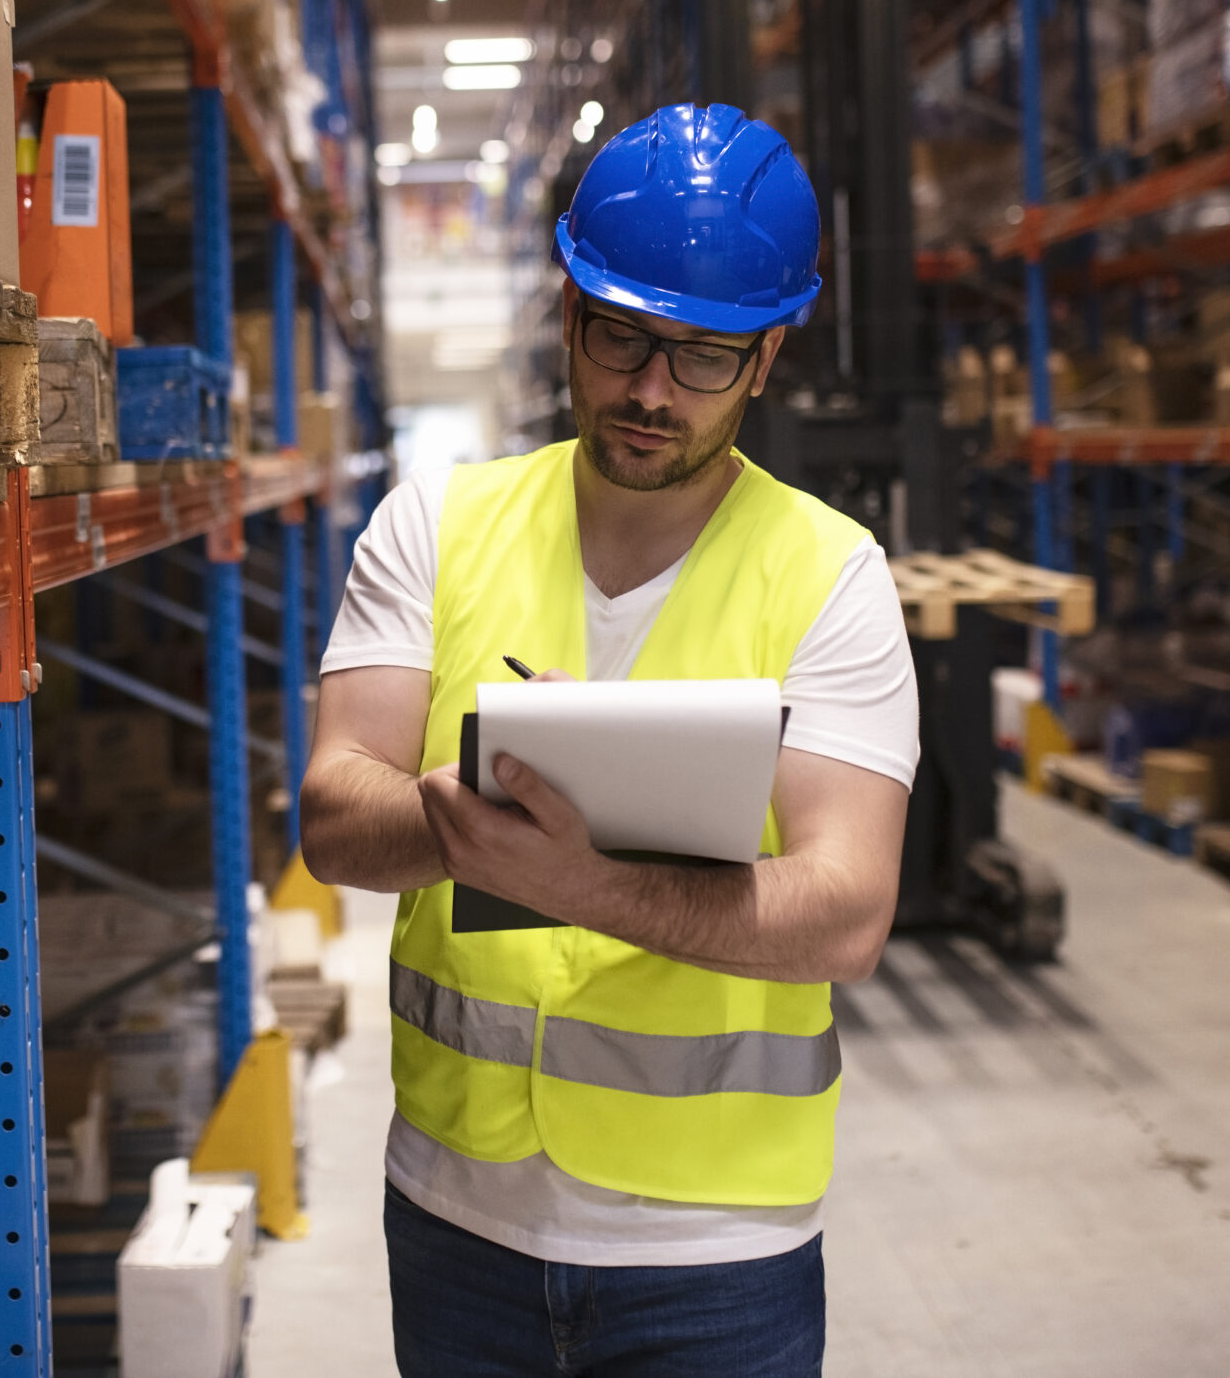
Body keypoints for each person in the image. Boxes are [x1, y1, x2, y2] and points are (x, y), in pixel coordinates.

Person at [301, 103, 921, 1377]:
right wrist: (454, 823)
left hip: (712, 1254)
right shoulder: (438, 525)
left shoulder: (829, 576)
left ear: (768, 358)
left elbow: (848, 910)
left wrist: (575, 883)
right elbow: (329, 816)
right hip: (456, 1216)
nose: (648, 391)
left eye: (701, 359)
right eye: (620, 338)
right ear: (568, 313)